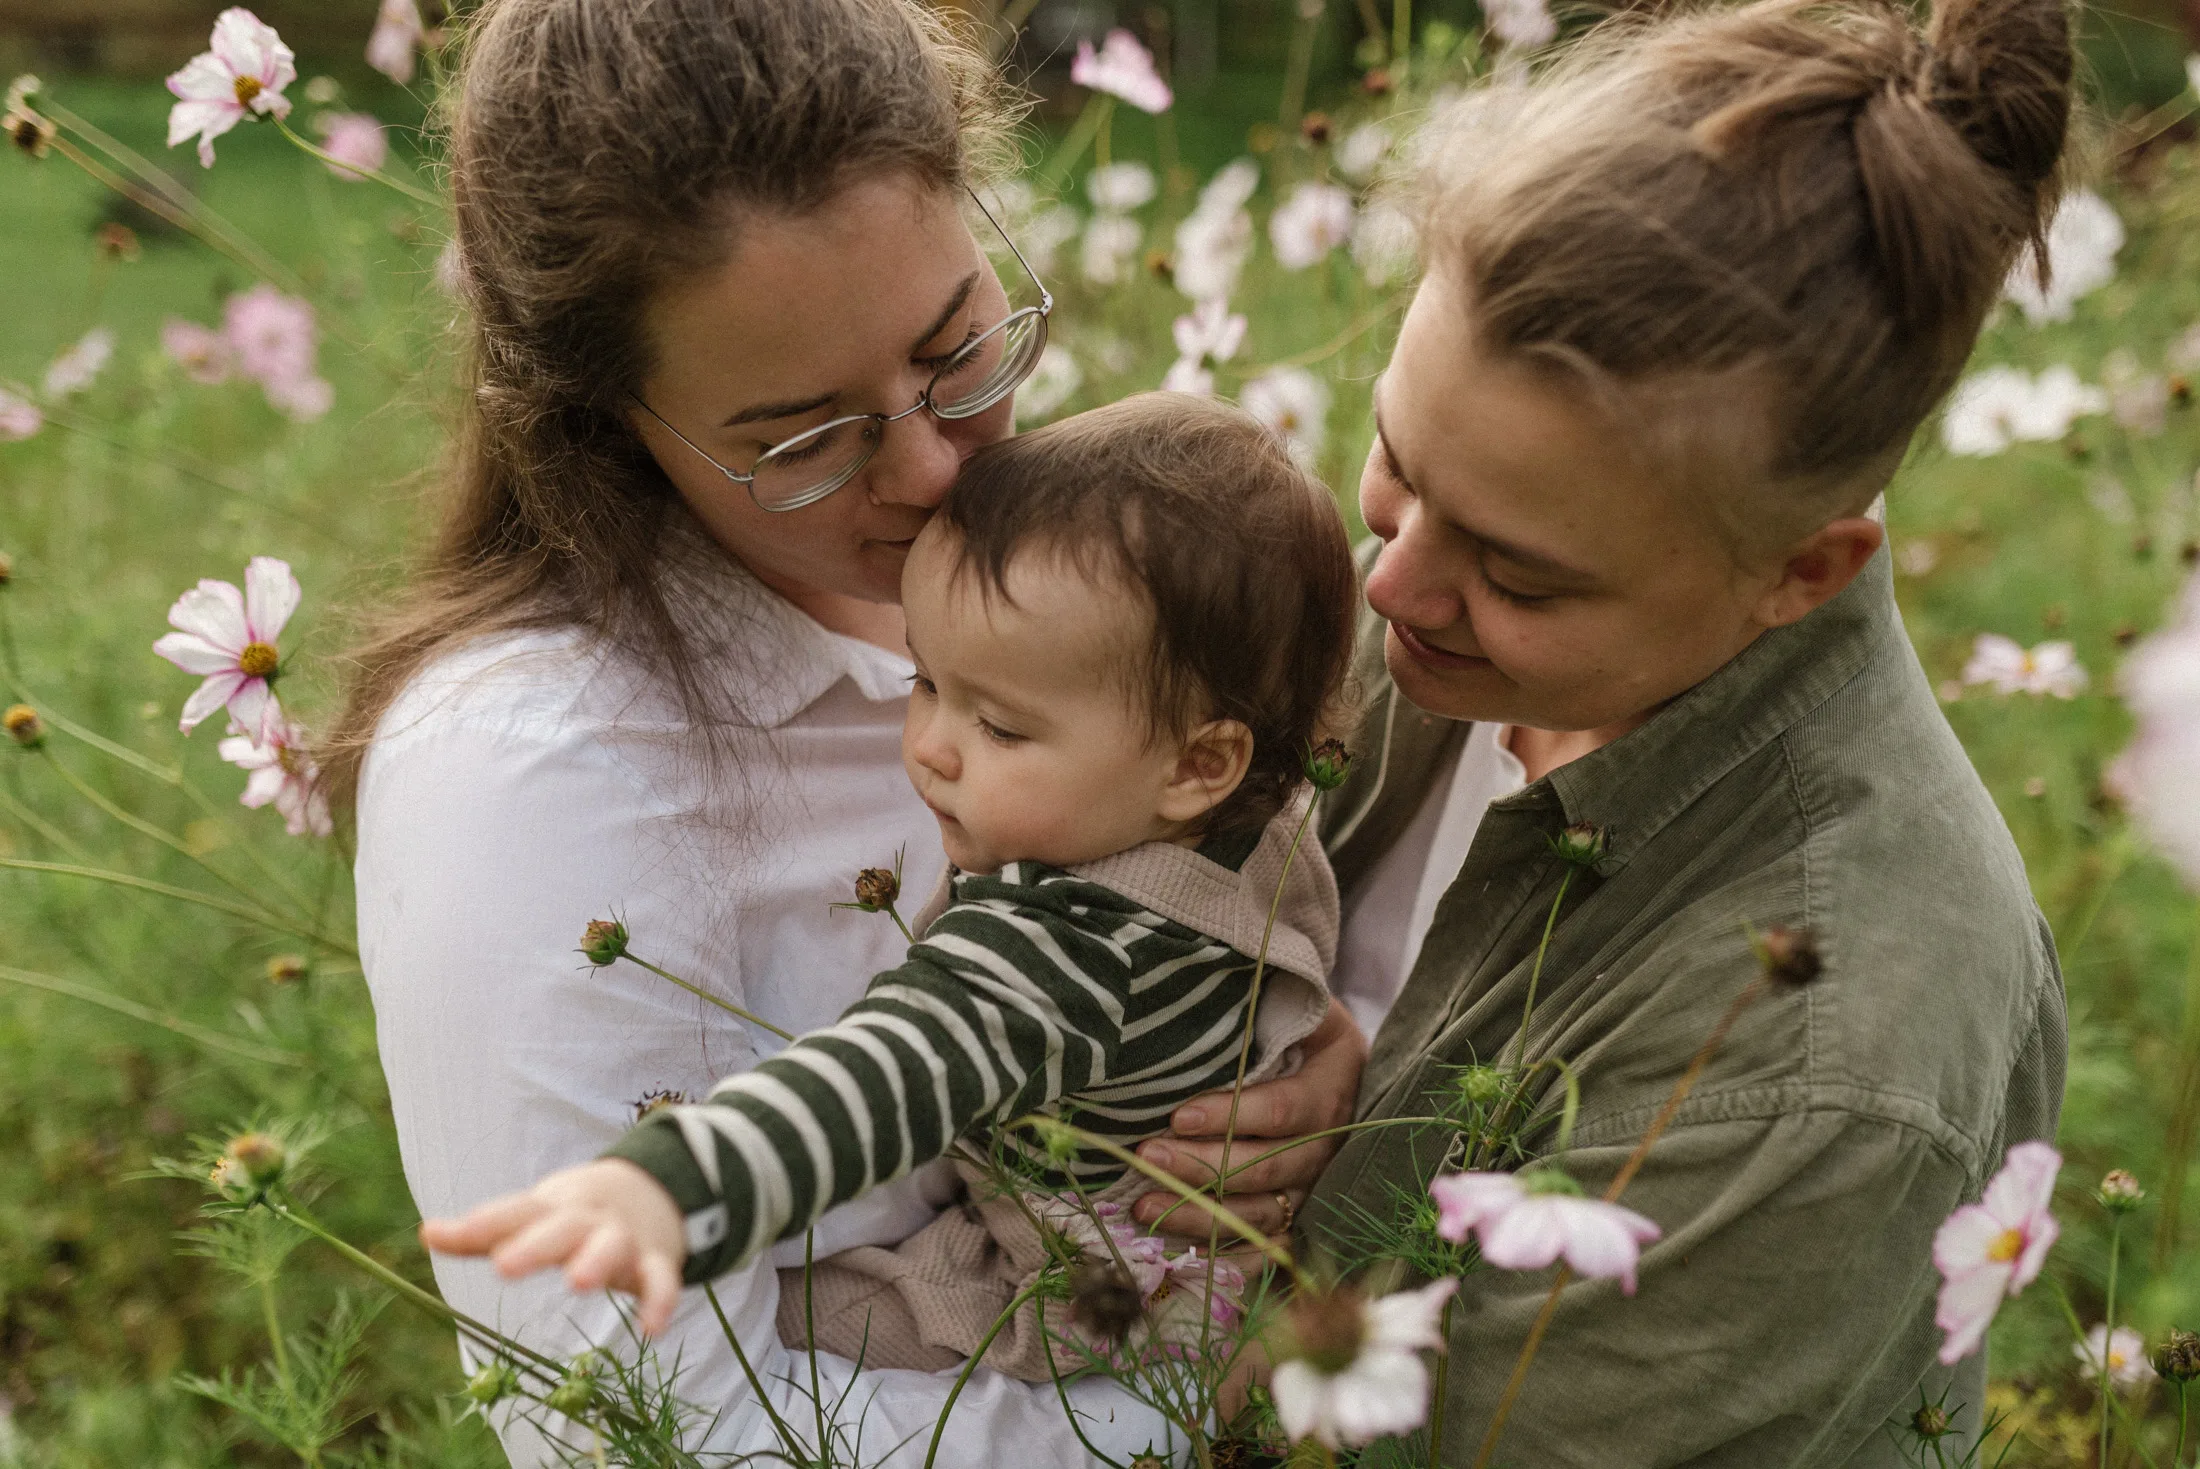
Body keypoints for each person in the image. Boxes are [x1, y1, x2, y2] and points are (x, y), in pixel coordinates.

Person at [329, 4, 1363, 1464]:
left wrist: (1309, 1049)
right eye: (804, 436)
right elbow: (643, 1430)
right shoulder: (529, 769)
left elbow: (1275, 819)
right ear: (606, 419)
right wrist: (1209, 1426)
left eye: (955, 347)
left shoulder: (1065, 570)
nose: (940, 465)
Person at [1301, 0, 2073, 1460]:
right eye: (1398, 462)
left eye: (1520, 573)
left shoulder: (1830, 1060)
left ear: (1801, 574)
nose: (1391, 579)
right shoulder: (1386, 615)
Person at [421, 393, 1360, 1381]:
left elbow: (891, 1069)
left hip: (1085, 1292)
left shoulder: (1067, 949)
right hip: (1214, 1249)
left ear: (1199, 762)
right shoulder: (1260, 813)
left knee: (786, 1325)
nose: (931, 746)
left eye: (1000, 726)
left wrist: (676, 1186)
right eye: (925, 679)